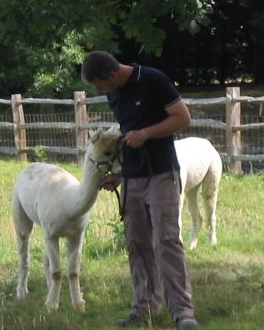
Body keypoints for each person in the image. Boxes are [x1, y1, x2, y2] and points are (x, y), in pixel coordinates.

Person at [81, 51, 199, 330]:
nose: (101, 91)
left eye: (100, 85)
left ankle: (183, 313)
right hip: (133, 177)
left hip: (161, 174)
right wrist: (120, 176)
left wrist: (146, 133)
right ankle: (143, 307)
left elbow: (183, 118)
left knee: (166, 241)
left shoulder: (153, 80)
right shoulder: (115, 94)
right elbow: (128, 133)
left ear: (111, 75)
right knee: (137, 243)